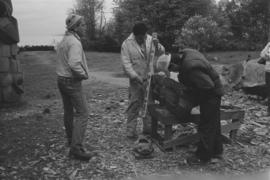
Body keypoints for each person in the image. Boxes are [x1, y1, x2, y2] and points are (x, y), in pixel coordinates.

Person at [164, 48, 224, 164]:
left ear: (173, 64)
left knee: (206, 125)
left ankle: (203, 157)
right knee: (214, 123)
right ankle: (217, 152)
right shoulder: (186, 53)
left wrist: (192, 100)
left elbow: (207, 86)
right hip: (213, 91)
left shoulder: (190, 67)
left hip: (211, 95)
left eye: (171, 69)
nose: (174, 72)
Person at [56, 14, 94, 161]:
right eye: (82, 25)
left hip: (61, 79)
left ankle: (71, 141)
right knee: (83, 113)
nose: (84, 27)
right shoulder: (75, 42)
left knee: (68, 112)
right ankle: (76, 149)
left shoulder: (65, 39)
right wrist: (83, 74)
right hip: (71, 81)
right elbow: (73, 63)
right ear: (76, 27)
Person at [121, 22, 165, 139]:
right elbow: (126, 65)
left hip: (149, 79)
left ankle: (148, 129)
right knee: (134, 105)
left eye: (144, 36)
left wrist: (157, 45)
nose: (143, 38)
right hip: (135, 80)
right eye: (141, 37)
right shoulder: (126, 44)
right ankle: (131, 131)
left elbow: (161, 52)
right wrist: (135, 77)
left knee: (149, 105)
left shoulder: (150, 39)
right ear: (135, 35)